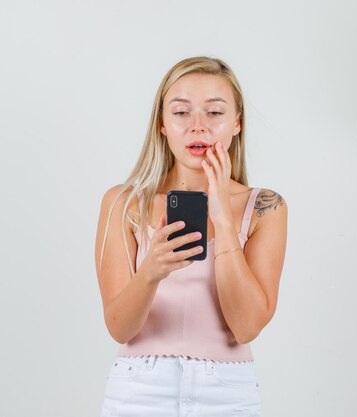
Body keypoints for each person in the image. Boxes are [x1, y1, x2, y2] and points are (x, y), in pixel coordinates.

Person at [94, 56, 287, 417]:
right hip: (139, 391)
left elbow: (245, 327)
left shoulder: (265, 207)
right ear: (162, 124)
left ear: (237, 124)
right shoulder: (123, 203)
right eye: (181, 113)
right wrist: (151, 270)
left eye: (214, 113)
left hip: (228, 394)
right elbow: (120, 328)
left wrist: (224, 221)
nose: (198, 127)